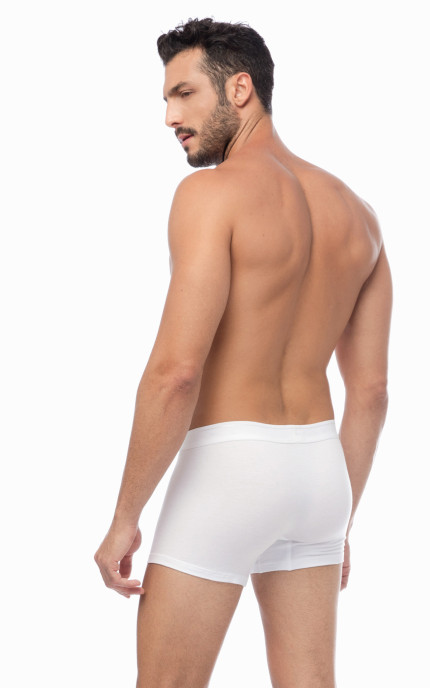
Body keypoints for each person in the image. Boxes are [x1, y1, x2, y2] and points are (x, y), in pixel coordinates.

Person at [94, 16, 393, 688]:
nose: (170, 117)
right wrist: (340, 519)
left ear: (239, 89)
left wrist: (125, 518)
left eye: (184, 94)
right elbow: (372, 393)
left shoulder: (211, 194)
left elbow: (176, 372)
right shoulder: (360, 216)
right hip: (320, 474)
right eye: (166, 100)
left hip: (230, 468)